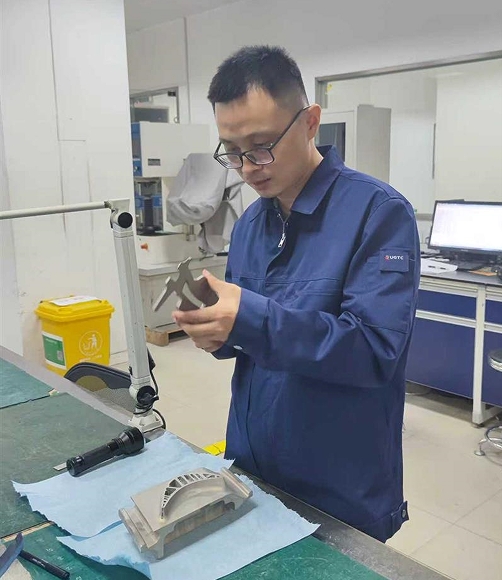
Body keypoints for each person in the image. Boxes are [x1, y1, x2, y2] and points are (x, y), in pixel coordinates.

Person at [173, 45, 420, 542]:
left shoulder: (378, 214)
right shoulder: (250, 224)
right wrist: (218, 333)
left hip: (339, 485)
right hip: (254, 466)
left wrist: (250, 319)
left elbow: (374, 351)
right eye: (232, 151)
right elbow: (252, 339)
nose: (248, 166)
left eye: (261, 145)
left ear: (310, 122)